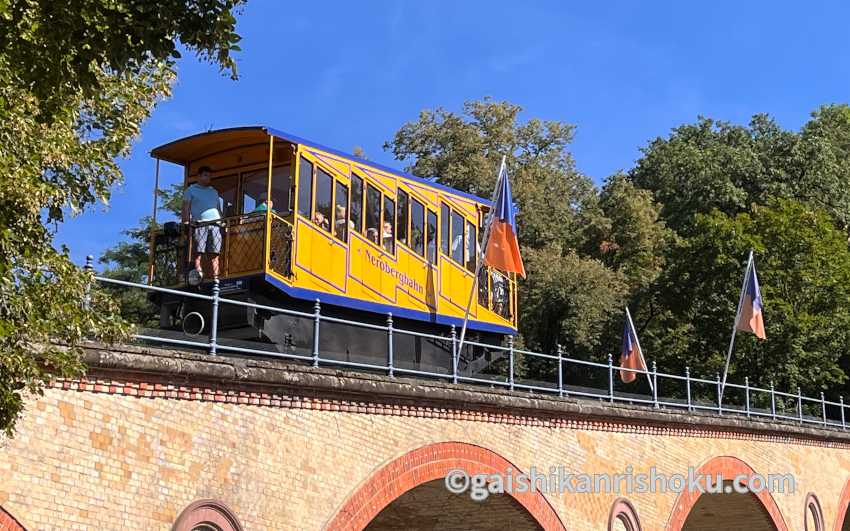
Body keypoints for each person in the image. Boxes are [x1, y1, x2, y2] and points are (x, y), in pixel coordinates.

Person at [182, 166, 223, 279]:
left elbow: (218, 209)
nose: (208, 178)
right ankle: (197, 274)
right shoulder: (191, 190)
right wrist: (186, 221)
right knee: (198, 252)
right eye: (205, 175)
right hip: (200, 224)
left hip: (215, 225)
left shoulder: (213, 191)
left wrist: (222, 222)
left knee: (215, 254)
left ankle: (215, 277)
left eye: (209, 176)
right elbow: (186, 207)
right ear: (198, 176)